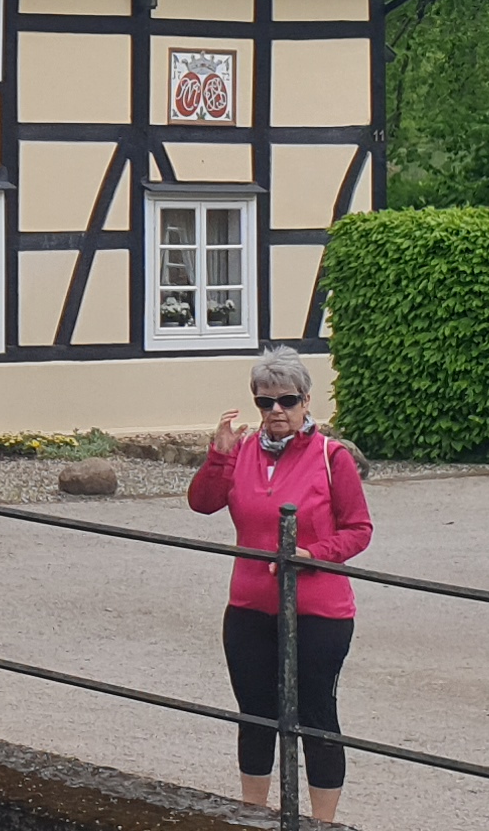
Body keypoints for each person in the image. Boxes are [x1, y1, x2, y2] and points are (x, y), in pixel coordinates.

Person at [189, 344, 371, 823]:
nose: (276, 411)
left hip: (319, 609)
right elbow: (202, 503)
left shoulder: (332, 457)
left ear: (306, 401)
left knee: (315, 714)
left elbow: (359, 529)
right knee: (255, 715)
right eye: (265, 402)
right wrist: (218, 457)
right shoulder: (243, 451)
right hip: (249, 606)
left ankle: (321, 823)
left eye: (287, 401)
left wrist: (313, 555)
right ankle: (255, 817)